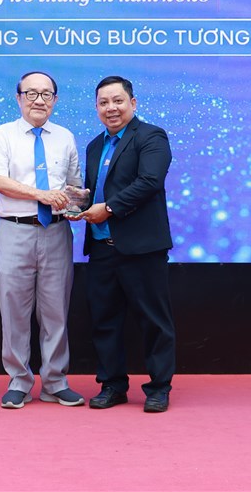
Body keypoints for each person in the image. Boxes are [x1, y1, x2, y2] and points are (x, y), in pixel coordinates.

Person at [0, 71, 86, 409]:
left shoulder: (65, 137)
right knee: (14, 308)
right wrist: (41, 195)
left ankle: (55, 381)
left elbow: (72, 185)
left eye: (46, 94)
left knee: (56, 309)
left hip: (56, 231)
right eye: (31, 93)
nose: (39, 100)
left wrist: (77, 203)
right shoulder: (2, 134)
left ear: (55, 100)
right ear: (19, 98)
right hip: (15, 229)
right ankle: (19, 381)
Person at [79, 75, 176, 413]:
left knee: (153, 320)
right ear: (96, 108)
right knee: (104, 320)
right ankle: (112, 385)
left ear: (132, 103)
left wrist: (107, 209)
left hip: (142, 248)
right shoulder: (94, 146)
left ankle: (159, 388)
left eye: (118, 101)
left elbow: (149, 181)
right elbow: (96, 191)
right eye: (103, 102)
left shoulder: (151, 136)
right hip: (102, 247)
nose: (111, 108)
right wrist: (78, 201)